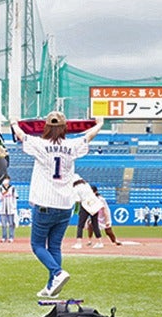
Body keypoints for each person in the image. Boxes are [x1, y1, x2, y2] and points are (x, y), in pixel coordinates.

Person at [10, 112, 103, 298]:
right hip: (65, 205)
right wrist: (99, 124)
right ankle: (51, 286)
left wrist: (13, 123)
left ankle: (57, 273)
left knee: (37, 245)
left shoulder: (40, 144)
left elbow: (21, 135)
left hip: (45, 203)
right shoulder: (71, 145)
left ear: (46, 127)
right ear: (65, 128)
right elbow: (88, 136)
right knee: (54, 246)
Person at [71, 175, 104, 249]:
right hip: (94, 203)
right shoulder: (86, 184)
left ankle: (79, 243)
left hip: (86, 205)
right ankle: (100, 242)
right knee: (95, 224)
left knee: (80, 225)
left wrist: (76, 210)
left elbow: (78, 200)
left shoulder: (75, 188)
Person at [0, 175, 18, 243]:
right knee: (3, 224)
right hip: (2, 208)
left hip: (11, 208)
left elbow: (16, 197)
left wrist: (14, 207)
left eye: (6, 179)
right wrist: (3, 194)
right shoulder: (0, 188)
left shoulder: (12, 188)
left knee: (11, 224)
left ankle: (11, 237)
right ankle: (4, 237)